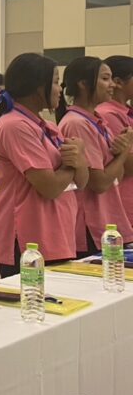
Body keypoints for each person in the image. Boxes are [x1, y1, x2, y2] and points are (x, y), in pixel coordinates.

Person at [0, 53, 87, 277]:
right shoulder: (14, 125)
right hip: (29, 240)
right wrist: (72, 163)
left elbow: (82, 182)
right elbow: (49, 187)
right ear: (38, 86)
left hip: (56, 234)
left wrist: (78, 159)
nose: (60, 89)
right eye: (55, 82)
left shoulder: (47, 126)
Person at [56, 57, 133, 253]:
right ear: (83, 84)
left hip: (107, 218)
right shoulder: (77, 123)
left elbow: (118, 176)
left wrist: (119, 153)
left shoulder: (97, 121)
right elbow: (99, 183)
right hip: (91, 223)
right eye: (105, 79)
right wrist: (124, 153)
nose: (112, 85)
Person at [96, 55, 133, 222]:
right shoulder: (109, 114)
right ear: (118, 82)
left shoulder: (126, 111)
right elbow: (128, 165)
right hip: (125, 201)